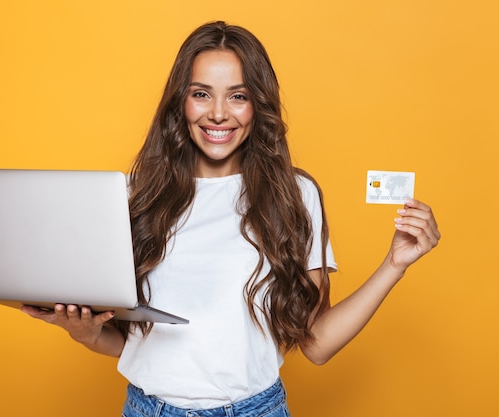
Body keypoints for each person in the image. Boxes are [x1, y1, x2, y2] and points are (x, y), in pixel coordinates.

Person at [22, 21, 440, 417]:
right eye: (201, 94)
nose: (218, 113)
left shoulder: (294, 196)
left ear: (257, 105)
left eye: (237, 96)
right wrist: (84, 331)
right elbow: (125, 343)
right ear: (180, 102)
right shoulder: (138, 194)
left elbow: (316, 345)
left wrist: (394, 265)